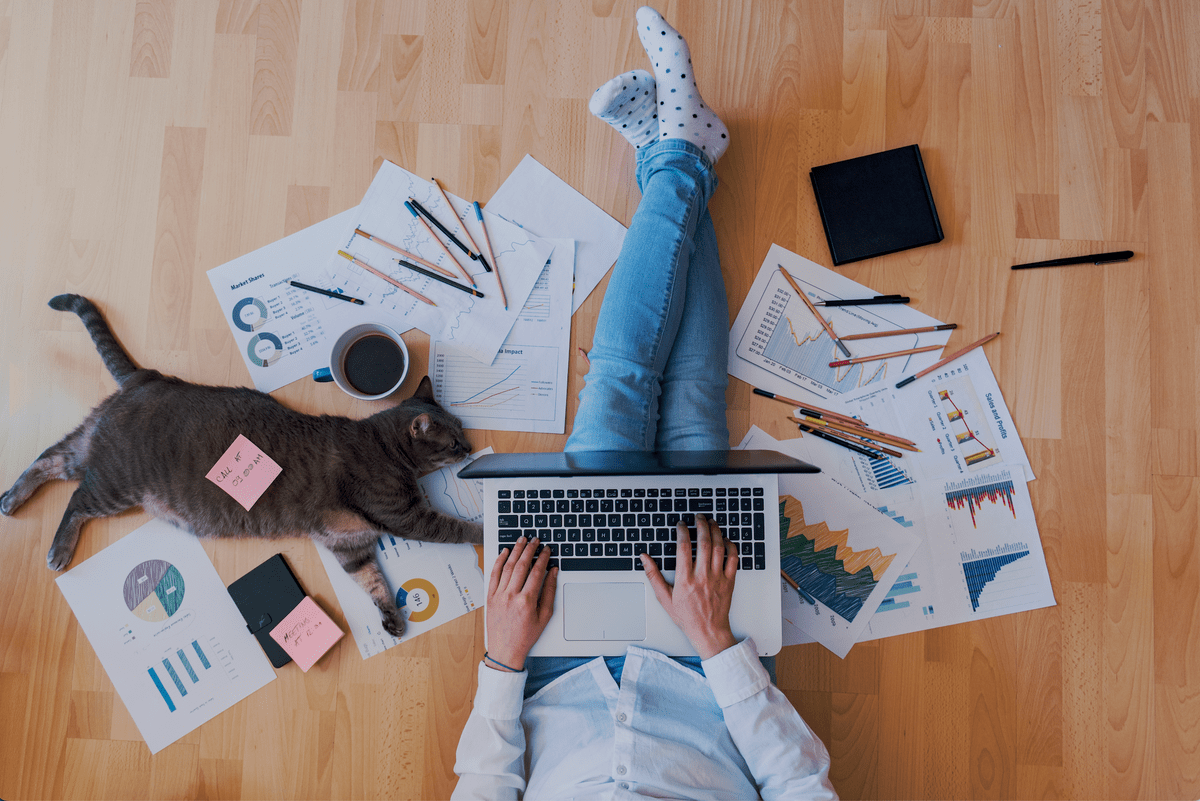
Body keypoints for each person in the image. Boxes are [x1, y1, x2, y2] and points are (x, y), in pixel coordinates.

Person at [452, 7, 837, 799]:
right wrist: (717, 645)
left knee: (625, 386)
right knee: (691, 403)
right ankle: (679, 155)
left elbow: (484, 784)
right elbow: (800, 783)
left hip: (554, 661)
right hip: (709, 667)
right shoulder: (714, 650)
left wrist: (501, 660)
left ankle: (681, 153)